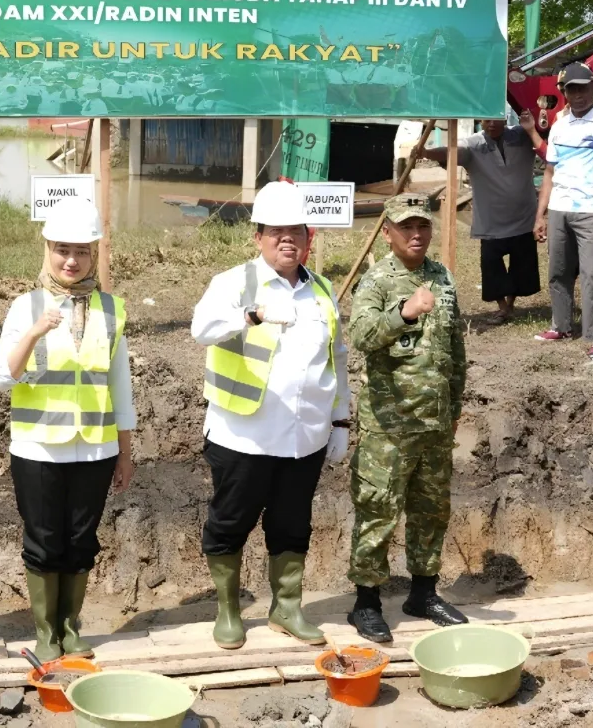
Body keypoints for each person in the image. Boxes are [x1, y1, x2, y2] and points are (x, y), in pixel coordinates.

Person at [191, 181, 350, 650]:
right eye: (276, 232)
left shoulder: (321, 290)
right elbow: (201, 329)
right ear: (258, 237)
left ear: (310, 238)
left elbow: (336, 359)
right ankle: (228, 609)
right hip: (245, 436)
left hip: (306, 438)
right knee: (230, 521)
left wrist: (340, 421)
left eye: (296, 232)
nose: (288, 240)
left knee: (292, 523)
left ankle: (286, 607)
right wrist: (252, 315)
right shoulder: (234, 283)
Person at [0, 198, 135, 662]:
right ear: (47, 250)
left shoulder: (112, 310)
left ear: (94, 254)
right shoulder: (25, 306)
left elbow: (120, 388)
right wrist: (34, 332)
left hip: (94, 449)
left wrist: (125, 451)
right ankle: (45, 631)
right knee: (44, 539)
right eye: (62, 250)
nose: (72, 261)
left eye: (82, 252)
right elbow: (1, 377)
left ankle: (71, 628)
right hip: (38, 449)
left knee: (80, 540)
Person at [346, 194, 467, 643]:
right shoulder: (376, 281)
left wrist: (453, 408)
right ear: (388, 231)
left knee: (431, 510)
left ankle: (424, 593)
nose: (417, 234)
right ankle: (366, 602)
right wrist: (403, 313)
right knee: (378, 511)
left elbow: (455, 350)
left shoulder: (442, 277)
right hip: (389, 425)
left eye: (423, 226)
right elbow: (360, 335)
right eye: (407, 227)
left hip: (434, 422)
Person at [533, 62, 593, 353]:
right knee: (558, 271)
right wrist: (541, 215)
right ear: (565, 92)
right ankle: (561, 326)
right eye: (572, 89)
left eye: (584, 87)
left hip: (592, 210)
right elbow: (549, 172)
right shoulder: (559, 126)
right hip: (559, 208)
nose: (579, 94)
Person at [423, 116, 542, 323]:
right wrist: (425, 152)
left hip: (524, 215)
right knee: (491, 266)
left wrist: (533, 127)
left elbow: (544, 138)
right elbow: (451, 152)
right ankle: (502, 307)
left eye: (496, 120)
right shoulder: (473, 144)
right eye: (487, 121)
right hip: (490, 219)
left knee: (522, 265)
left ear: (505, 120)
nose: (492, 124)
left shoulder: (522, 135)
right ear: (480, 122)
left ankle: (511, 304)